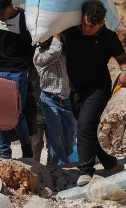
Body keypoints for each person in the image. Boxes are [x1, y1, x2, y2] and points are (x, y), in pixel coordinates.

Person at [63, 0, 126, 186]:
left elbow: (124, 59)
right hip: (76, 89)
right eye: (84, 23)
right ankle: (110, 164)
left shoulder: (108, 37)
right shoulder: (70, 31)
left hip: (98, 88)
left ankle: (86, 172)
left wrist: (125, 71)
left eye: (91, 26)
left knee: (84, 127)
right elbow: (48, 34)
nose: (86, 28)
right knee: (90, 129)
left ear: (101, 23)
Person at [0, 0, 35, 159]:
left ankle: (25, 143)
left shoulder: (24, 20)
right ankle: (5, 155)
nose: (0, 17)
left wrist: (24, 66)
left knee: (16, 112)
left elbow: (31, 47)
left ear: (11, 6)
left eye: (2, 13)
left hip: (17, 73)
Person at [34, 34, 76, 165]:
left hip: (68, 101)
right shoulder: (39, 54)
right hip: (49, 99)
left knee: (70, 138)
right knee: (55, 134)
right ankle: (57, 166)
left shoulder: (67, 51)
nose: (41, 40)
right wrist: (56, 34)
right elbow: (55, 50)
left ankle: (64, 162)